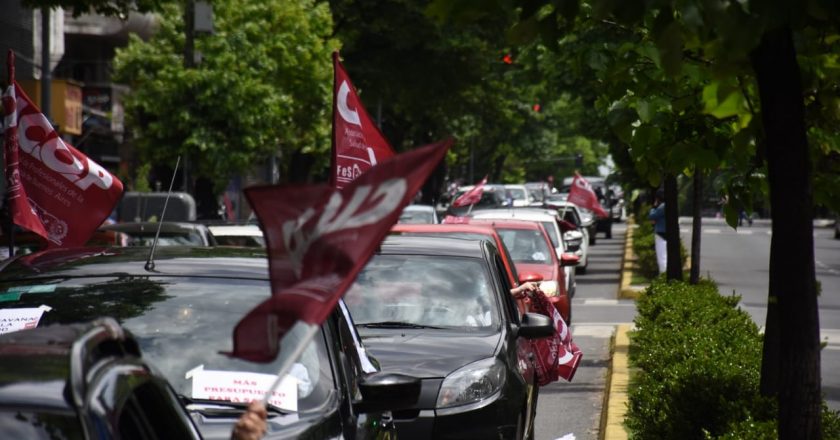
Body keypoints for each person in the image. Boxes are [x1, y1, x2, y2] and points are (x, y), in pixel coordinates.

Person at [648, 189, 667, 275]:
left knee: (661, 257)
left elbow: (652, 216)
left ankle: (663, 275)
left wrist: (653, 207)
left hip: (660, 233)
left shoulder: (662, 207)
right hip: (667, 233)